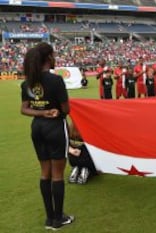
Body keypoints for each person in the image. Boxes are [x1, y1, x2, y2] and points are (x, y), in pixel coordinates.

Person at [20, 42, 74, 230]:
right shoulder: (56, 80)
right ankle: (58, 219)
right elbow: (65, 109)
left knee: (45, 173)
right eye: (54, 55)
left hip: (37, 129)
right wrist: (52, 111)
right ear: (49, 58)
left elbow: (24, 109)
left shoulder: (28, 82)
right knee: (57, 174)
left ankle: (49, 218)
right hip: (55, 128)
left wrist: (41, 112)